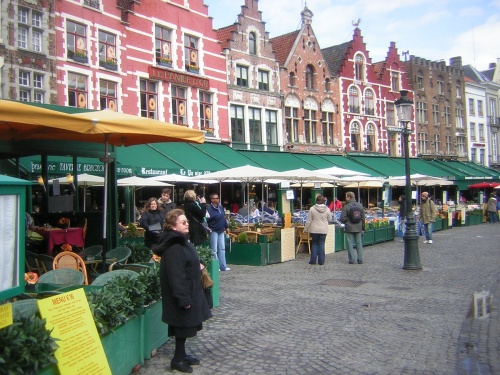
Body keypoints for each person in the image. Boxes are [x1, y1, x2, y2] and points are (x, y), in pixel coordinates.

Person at [152, 209, 212, 373]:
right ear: (173, 226)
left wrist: (196, 264)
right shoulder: (174, 246)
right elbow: (175, 276)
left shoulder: (181, 241)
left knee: (184, 326)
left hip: (190, 289)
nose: (187, 224)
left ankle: (182, 354)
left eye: (187, 221)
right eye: (183, 222)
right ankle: (177, 360)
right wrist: (183, 299)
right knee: (181, 326)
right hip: (183, 293)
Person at [304, 195, 332, 265]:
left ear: (316, 200)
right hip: (323, 230)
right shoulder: (327, 209)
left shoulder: (312, 209)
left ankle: (313, 260)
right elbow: (330, 219)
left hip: (314, 229)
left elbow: (309, 220)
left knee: (314, 244)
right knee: (321, 244)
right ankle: (321, 261)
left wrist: (306, 229)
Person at [206, 193, 230, 271]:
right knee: (214, 249)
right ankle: (216, 266)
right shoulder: (209, 209)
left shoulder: (220, 207)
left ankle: (223, 266)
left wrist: (226, 226)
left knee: (222, 248)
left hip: (221, 229)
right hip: (214, 230)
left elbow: (223, 217)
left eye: (218, 198)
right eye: (216, 198)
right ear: (212, 200)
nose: (218, 199)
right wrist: (209, 228)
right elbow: (207, 219)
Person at [341, 191, 365, 264]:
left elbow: (342, 218)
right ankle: (360, 259)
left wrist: (347, 222)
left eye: (346, 197)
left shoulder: (346, 206)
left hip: (349, 227)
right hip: (358, 226)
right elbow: (363, 217)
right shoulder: (360, 205)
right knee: (359, 243)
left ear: (348, 197)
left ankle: (351, 259)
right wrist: (363, 228)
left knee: (350, 244)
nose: (345, 198)